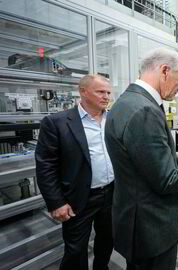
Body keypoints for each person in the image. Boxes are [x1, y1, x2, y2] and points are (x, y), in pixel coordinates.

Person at [104, 47, 178, 270]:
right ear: (165, 71)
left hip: (135, 221)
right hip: (151, 227)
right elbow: (167, 180)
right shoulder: (145, 111)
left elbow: (145, 159)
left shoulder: (126, 102)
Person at [35, 74, 115, 270]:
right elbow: (46, 166)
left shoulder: (112, 120)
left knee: (107, 241)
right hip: (78, 198)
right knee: (75, 250)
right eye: (100, 92)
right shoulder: (57, 122)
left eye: (108, 92)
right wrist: (57, 202)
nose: (106, 97)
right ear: (83, 92)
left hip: (111, 193)